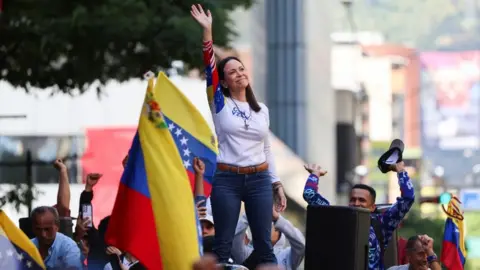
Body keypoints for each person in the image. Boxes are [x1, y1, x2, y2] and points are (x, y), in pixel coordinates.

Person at [190, 3, 287, 265]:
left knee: (265, 246)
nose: (239, 73)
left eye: (241, 69)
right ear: (223, 81)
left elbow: (267, 149)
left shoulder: (261, 110)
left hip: (259, 179)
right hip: (227, 180)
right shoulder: (218, 104)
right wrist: (208, 32)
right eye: (232, 72)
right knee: (222, 245)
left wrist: (276, 183)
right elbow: (210, 66)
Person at [303, 161, 415, 270]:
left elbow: (408, 198)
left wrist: (401, 171)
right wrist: (315, 174)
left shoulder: (382, 224)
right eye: (353, 199)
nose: (356, 203)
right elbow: (309, 194)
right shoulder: (337, 218)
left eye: (362, 200)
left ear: (372, 207)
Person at [232, 207, 305, 270]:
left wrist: (278, 218)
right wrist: (251, 210)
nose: (264, 227)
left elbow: (301, 245)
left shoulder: (287, 256)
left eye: (270, 224)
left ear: (278, 230)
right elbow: (235, 238)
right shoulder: (247, 252)